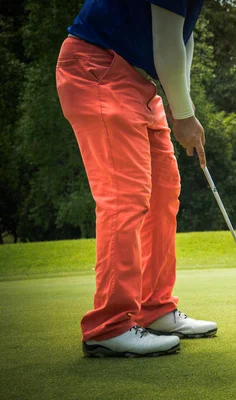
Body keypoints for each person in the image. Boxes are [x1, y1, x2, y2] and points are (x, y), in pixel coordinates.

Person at [56, 0, 216, 358]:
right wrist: (186, 115)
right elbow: (165, 40)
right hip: (97, 68)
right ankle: (109, 326)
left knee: (163, 194)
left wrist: (181, 106)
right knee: (125, 197)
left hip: (139, 82)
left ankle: (155, 308)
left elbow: (181, 37)